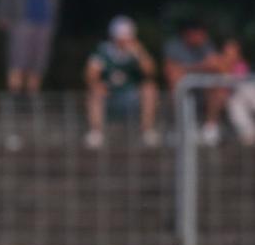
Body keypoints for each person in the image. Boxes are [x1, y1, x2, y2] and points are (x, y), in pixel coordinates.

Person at [84, 16, 160, 149]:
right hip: (109, 96)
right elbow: (90, 74)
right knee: (95, 90)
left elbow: (150, 72)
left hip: (132, 96)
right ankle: (96, 132)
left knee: (150, 89)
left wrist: (139, 53)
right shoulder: (103, 50)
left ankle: (147, 131)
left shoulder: (137, 50)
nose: (123, 42)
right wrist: (97, 83)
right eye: (120, 38)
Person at [163, 20, 224, 146]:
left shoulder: (206, 45)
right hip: (182, 91)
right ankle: (182, 127)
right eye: (200, 34)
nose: (203, 38)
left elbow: (217, 65)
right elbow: (170, 70)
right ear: (189, 34)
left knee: (218, 86)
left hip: (202, 91)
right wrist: (202, 66)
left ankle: (210, 129)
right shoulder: (174, 46)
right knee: (175, 81)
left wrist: (185, 69)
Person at [223, 39, 255, 146]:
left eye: (233, 52)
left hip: (247, 91)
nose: (230, 55)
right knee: (236, 107)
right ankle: (248, 133)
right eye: (227, 52)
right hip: (233, 96)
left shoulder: (241, 65)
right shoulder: (220, 64)